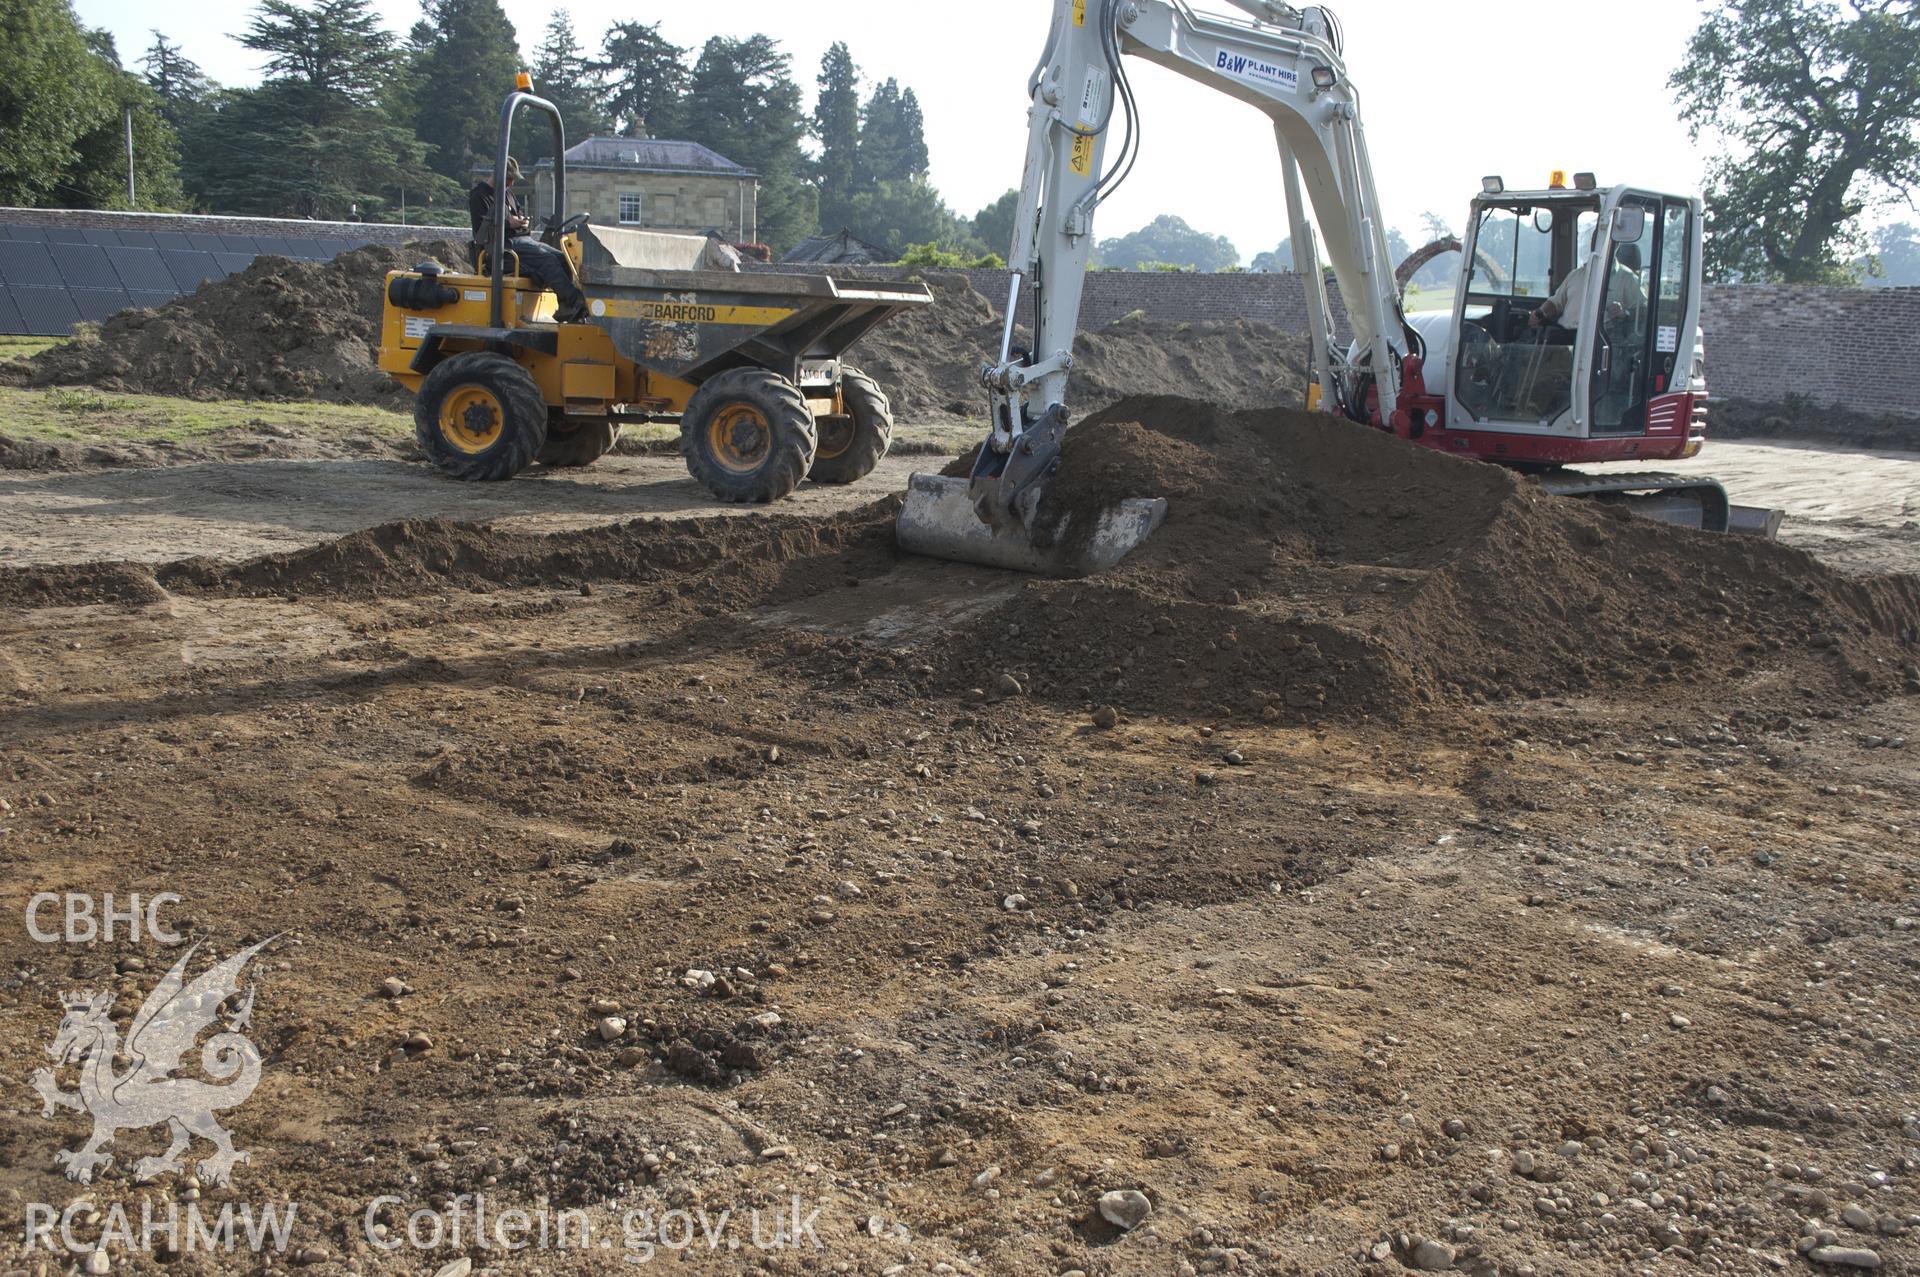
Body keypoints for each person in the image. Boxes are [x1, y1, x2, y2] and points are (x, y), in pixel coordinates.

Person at [468, 156, 589, 323]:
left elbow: (516, 215)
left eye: (512, 180)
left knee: (563, 257)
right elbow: (482, 230)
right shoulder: (479, 196)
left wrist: (522, 221)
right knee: (547, 261)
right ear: (497, 174)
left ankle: (565, 306)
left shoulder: (508, 194)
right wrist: (508, 222)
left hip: (521, 240)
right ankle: (576, 301)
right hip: (500, 246)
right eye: (509, 179)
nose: (511, 184)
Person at [1531, 239, 1646, 330]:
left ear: (1617, 245)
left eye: (1604, 238)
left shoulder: (1627, 278)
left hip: (1601, 339)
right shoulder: (1575, 275)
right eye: (1596, 239)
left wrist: (1624, 313)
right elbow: (1555, 302)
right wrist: (1540, 313)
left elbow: (1644, 311)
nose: (1598, 243)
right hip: (1566, 336)